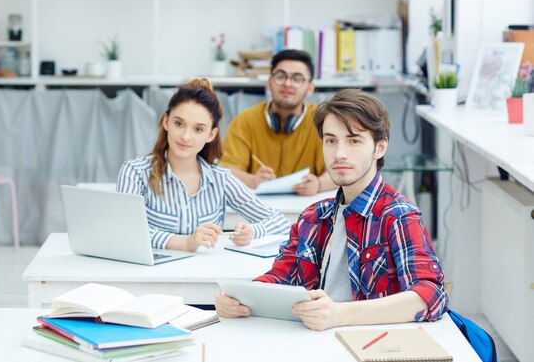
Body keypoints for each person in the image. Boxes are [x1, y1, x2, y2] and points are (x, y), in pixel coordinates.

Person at [215, 88, 448, 330]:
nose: (339, 153)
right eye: (331, 140)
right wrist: (239, 298)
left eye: (354, 140)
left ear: (380, 148)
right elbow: (280, 277)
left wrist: (340, 314)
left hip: (373, 347)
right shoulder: (313, 217)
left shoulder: (398, 214)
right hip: (315, 342)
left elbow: (430, 296)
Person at [117, 79, 291, 253]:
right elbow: (123, 228)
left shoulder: (221, 179)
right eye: (179, 124)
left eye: (198, 129)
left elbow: (281, 223)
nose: (185, 136)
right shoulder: (135, 172)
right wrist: (185, 243)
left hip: (204, 274)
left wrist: (253, 232)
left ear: (211, 134)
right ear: (166, 121)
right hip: (150, 275)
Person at [222, 49, 336, 196]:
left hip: (307, 209)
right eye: (281, 76)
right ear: (269, 83)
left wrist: (319, 184)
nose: (288, 84)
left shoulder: (324, 121)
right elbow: (227, 171)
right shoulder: (244, 120)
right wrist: (253, 180)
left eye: (297, 78)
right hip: (257, 209)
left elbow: (340, 169)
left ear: (310, 88)